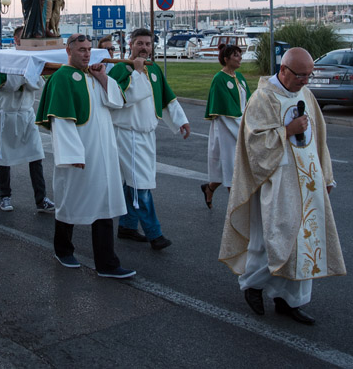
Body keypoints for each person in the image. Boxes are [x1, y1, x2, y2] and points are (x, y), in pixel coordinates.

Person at [219, 48, 345, 325]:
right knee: (278, 236)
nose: (305, 81)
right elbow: (254, 145)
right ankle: (253, 284)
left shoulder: (305, 94)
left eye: (309, 75)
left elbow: (318, 137)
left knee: (306, 240)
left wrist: (325, 175)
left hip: (308, 180)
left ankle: (290, 300)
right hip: (278, 180)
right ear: (284, 69)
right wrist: (287, 131)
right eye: (301, 75)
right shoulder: (263, 98)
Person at [36, 34, 135, 278]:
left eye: (89, 49)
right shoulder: (62, 78)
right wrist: (71, 154)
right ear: (68, 51)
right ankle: (63, 249)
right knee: (71, 201)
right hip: (80, 154)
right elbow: (61, 121)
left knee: (103, 204)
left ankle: (107, 263)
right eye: (81, 49)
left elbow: (116, 103)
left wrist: (103, 78)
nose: (86, 54)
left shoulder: (93, 75)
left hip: (103, 153)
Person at [109, 28, 190, 251]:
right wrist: (135, 72)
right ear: (130, 45)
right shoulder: (120, 69)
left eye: (148, 44)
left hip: (147, 135)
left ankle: (127, 226)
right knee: (140, 185)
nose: (144, 48)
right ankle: (155, 234)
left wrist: (180, 120)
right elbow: (123, 99)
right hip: (128, 134)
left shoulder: (154, 71)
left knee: (132, 183)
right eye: (139, 43)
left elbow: (167, 98)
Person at [0, 26, 55, 213]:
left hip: (26, 114)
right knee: (5, 158)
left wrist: (25, 77)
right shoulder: (5, 59)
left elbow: (37, 84)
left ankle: (41, 198)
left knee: (36, 156)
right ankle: (5, 195)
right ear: (16, 40)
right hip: (8, 114)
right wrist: (25, 78)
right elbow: (5, 85)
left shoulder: (33, 60)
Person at [201, 44, 251, 208]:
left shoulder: (240, 78)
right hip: (225, 128)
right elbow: (223, 110)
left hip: (240, 124)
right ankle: (238, 209)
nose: (240, 58)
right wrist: (240, 128)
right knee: (230, 165)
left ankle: (209, 188)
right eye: (236, 55)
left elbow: (248, 103)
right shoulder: (219, 79)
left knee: (226, 167)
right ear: (226, 59)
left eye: (240, 54)